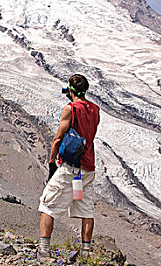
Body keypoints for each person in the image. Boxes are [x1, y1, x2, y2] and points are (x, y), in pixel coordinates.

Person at [38, 74, 100, 261]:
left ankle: (44, 250)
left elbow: (58, 138)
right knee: (86, 208)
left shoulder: (70, 109)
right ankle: (85, 252)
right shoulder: (95, 109)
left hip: (71, 168)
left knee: (48, 204)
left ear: (70, 90)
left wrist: (51, 163)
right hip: (87, 168)